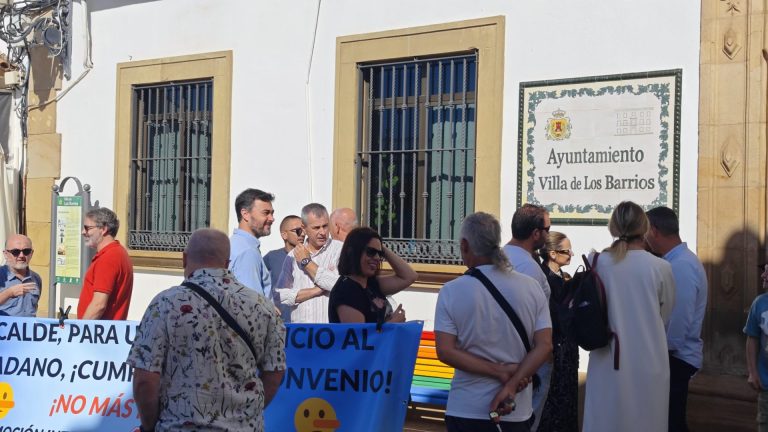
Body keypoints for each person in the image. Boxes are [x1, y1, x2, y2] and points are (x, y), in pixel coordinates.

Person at [127, 228, 286, 431]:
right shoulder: (263, 306)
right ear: (227, 263)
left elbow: (145, 379)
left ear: (184, 259)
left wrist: (149, 426)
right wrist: (248, 413)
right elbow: (275, 371)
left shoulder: (166, 303)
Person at [435, 212, 552, 432]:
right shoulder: (531, 287)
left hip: (467, 407)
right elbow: (545, 345)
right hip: (516, 408)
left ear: (464, 245)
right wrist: (512, 383)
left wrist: (499, 372)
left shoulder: (451, 291)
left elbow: (445, 351)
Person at [582, 201, 675, 432]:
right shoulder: (660, 267)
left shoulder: (597, 262)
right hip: (649, 360)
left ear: (613, 227)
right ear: (645, 228)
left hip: (607, 360)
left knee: (605, 421)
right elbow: (665, 315)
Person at [645, 206, 708, 432]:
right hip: (674, 356)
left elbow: (679, 318)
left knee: (671, 422)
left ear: (654, 230)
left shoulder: (681, 266)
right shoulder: (678, 261)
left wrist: (662, 353)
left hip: (676, 358)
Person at [503, 203, 552, 430]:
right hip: (527, 360)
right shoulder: (531, 269)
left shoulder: (497, 258)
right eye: (547, 229)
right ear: (535, 234)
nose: (549, 235)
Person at [328, 227, 417, 324]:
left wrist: (380, 246)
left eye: (379, 254)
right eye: (371, 252)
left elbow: (409, 277)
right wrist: (393, 324)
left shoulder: (370, 283)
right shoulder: (346, 291)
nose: (377, 258)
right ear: (353, 252)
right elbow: (359, 333)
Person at [536, 231, 578, 432]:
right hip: (553, 349)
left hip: (567, 349)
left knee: (566, 400)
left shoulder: (563, 278)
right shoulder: (544, 280)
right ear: (553, 254)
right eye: (567, 251)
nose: (571, 254)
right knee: (552, 402)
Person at [276, 203, 343, 323]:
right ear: (304, 228)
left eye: (325, 226)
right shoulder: (292, 255)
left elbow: (341, 286)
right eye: (316, 228)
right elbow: (280, 294)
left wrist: (306, 262)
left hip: (330, 329)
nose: (322, 232)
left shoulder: (340, 250)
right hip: (302, 330)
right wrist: (314, 291)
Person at [77, 207, 133, 320]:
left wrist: (81, 328)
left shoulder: (108, 258)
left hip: (97, 329)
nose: (83, 232)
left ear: (103, 229)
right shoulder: (117, 252)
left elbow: (99, 305)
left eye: (87, 228)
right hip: (106, 328)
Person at [229, 188, 276, 301]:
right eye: (266, 213)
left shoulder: (236, 243)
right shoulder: (247, 251)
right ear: (245, 214)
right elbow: (252, 304)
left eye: (272, 213)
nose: (272, 218)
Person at [264, 215, 304, 321]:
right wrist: (267, 304)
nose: (303, 234)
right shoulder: (271, 257)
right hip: (279, 322)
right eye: (298, 231)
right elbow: (258, 284)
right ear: (284, 235)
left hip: (305, 323)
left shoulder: (312, 258)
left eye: (304, 230)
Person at [745, 264, 768, 432]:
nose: (763, 276)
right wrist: (753, 372)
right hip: (766, 385)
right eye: (764, 270)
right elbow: (752, 338)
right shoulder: (759, 303)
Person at [0, 234, 42, 317]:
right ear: (5, 254)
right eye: (16, 252)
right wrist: (8, 293)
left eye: (26, 251)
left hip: (29, 325)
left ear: (31, 253)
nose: (21, 255)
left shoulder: (36, 278)